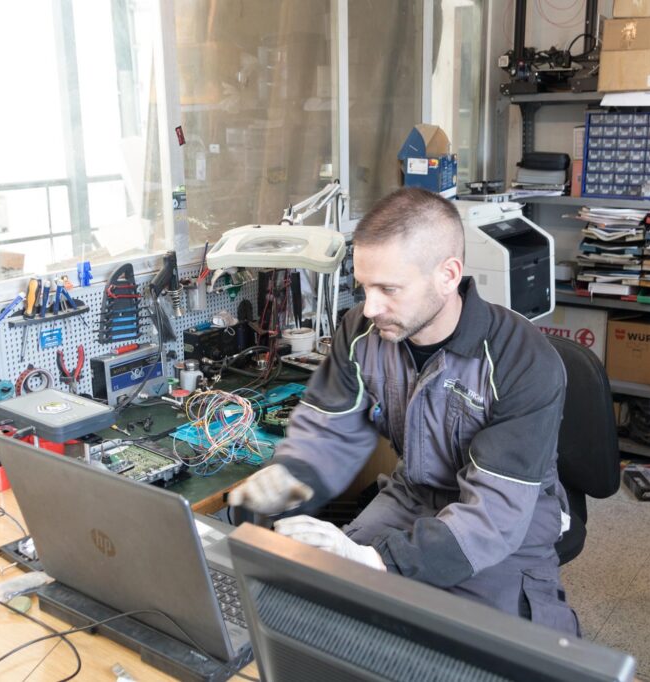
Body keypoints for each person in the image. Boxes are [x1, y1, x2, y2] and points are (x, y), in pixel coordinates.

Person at [228, 186, 579, 635]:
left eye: (388, 289)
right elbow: (326, 436)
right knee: (328, 604)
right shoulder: (360, 331)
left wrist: (376, 560)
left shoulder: (522, 359)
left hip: (511, 525)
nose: (370, 308)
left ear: (448, 275)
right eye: (364, 287)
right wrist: (273, 492)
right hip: (413, 494)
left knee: (488, 652)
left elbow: (494, 513)